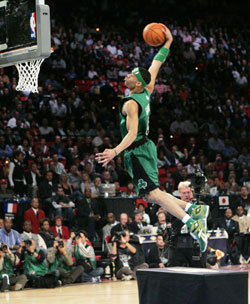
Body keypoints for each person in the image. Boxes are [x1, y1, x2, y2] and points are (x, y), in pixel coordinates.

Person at [96, 26, 208, 252]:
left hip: (136, 150)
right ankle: (193, 209)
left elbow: (130, 133)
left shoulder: (130, 104)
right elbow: (156, 63)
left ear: (136, 84)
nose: (127, 75)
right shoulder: (146, 88)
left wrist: (114, 151)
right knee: (152, 195)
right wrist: (168, 42)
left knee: (153, 194)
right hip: (146, 148)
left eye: (131, 75)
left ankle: (191, 221)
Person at [167, 181, 207, 268]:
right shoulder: (174, 207)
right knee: (174, 271)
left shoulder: (200, 206)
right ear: (180, 194)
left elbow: (208, 222)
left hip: (195, 243)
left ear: (192, 193)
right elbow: (174, 225)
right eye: (184, 193)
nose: (186, 195)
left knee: (199, 271)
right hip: (178, 243)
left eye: (188, 192)